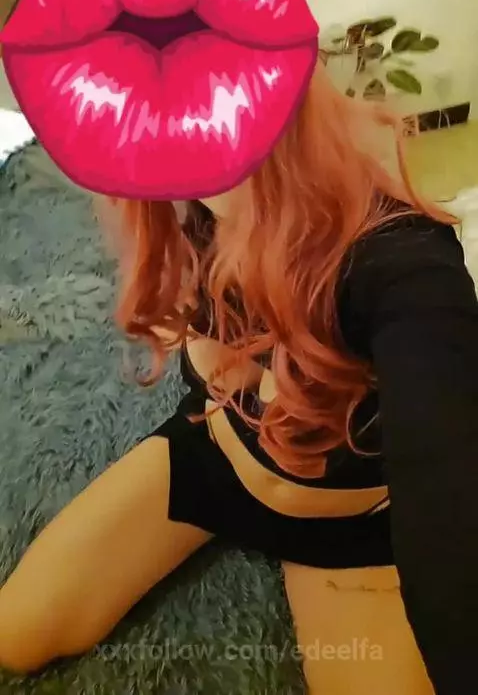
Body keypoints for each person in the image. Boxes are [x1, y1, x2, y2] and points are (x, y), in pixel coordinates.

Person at [1, 60, 478, 695]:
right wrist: (225, 358)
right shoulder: (188, 211)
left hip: (348, 525)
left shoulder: (402, 263)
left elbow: (448, 500)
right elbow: (205, 355)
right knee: (17, 633)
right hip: (219, 461)